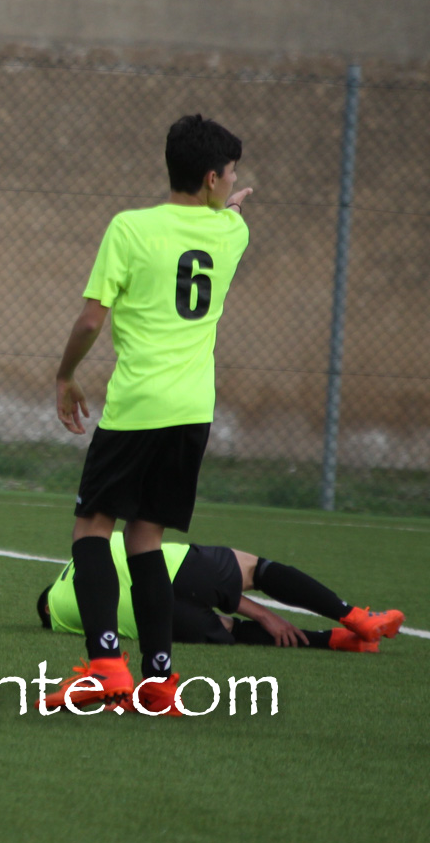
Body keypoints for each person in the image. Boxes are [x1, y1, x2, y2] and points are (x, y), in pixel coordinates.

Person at [42, 115, 253, 716]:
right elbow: (226, 218)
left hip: (138, 406)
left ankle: (106, 668)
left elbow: (91, 319)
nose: (233, 181)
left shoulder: (130, 228)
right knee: (146, 538)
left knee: (92, 527)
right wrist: (229, 209)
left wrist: (65, 375)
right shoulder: (231, 233)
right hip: (193, 411)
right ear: (211, 179)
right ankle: (159, 681)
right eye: (231, 172)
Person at [38, 533, 406, 651]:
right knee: (257, 570)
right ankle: (354, 616)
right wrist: (261, 609)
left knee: (235, 631)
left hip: (167, 624)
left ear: (47, 611)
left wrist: (260, 616)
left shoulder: (60, 618)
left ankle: (338, 641)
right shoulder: (88, 551)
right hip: (180, 569)